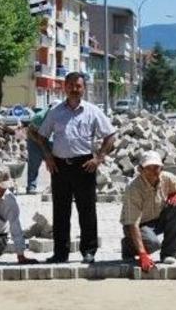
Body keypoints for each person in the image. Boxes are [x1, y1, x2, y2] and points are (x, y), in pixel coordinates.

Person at [36, 72, 116, 263]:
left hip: (84, 166)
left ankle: (89, 251)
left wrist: (99, 158)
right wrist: (48, 156)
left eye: (78, 86)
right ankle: (60, 253)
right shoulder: (55, 112)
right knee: (61, 211)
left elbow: (110, 135)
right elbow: (41, 135)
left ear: (83, 88)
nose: (74, 89)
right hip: (60, 166)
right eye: (71, 85)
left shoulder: (92, 111)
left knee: (87, 210)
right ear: (65, 87)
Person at [120, 151, 176, 272]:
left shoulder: (166, 177)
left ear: (161, 168)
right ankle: (128, 246)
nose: (153, 171)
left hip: (157, 219)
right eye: (148, 168)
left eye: (156, 167)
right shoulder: (133, 188)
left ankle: (168, 254)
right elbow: (133, 224)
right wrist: (142, 254)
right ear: (141, 169)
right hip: (137, 225)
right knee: (152, 244)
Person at [25, 101, 58, 195]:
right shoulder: (39, 117)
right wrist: (40, 143)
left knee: (55, 163)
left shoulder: (60, 116)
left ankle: (55, 186)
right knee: (34, 164)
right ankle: (31, 186)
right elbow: (30, 131)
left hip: (48, 140)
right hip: (34, 141)